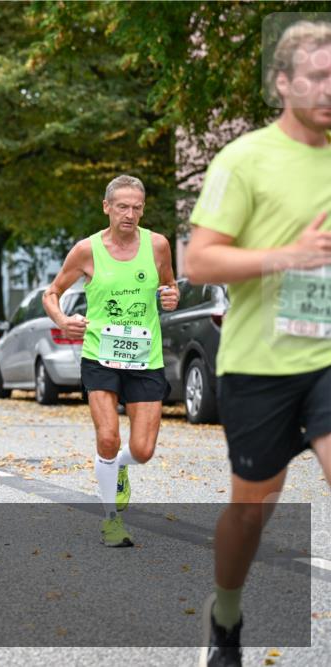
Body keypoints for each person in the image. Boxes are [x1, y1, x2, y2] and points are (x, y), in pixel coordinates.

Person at [183, 21, 331, 667]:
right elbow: (202, 262)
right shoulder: (243, 159)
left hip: (328, 355)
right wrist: (289, 255)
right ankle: (226, 614)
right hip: (259, 364)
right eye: (319, 76)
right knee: (252, 512)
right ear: (283, 82)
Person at [42, 175, 178, 547]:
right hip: (100, 355)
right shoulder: (86, 250)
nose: (129, 214)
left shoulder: (158, 246)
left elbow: (170, 285)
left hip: (145, 357)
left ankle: (118, 465)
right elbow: (51, 293)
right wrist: (62, 320)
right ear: (107, 208)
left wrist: (171, 297)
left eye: (136, 207)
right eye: (122, 206)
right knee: (106, 436)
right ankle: (111, 520)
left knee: (143, 451)